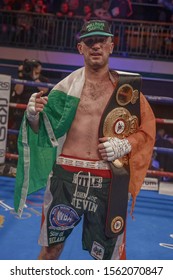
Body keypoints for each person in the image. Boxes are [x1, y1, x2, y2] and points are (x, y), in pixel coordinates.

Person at [14, 20, 156, 260]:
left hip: (107, 180)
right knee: (50, 250)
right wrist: (32, 116)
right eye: (90, 42)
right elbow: (44, 128)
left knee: (108, 259)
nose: (96, 46)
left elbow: (146, 130)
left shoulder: (128, 91)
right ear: (81, 48)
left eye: (102, 41)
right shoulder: (64, 87)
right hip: (65, 177)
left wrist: (125, 144)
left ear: (112, 45)